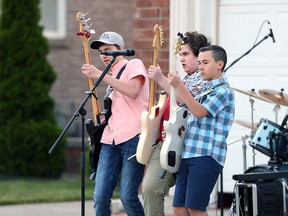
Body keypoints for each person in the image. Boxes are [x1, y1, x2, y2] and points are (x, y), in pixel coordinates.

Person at [142, 31, 211, 216]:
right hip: (166, 140)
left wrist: (162, 80)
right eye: (180, 55)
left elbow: (186, 102)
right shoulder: (185, 78)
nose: (181, 59)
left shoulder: (203, 80)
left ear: (200, 56)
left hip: (185, 146)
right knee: (169, 201)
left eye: (186, 54)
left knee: (190, 206)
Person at [81, 31, 149, 216]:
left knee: (128, 197)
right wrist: (97, 131)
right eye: (101, 52)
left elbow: (133, 91)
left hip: (133, 137)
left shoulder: (134, 64)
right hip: (110, 139)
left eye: (109, 50)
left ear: (121, 50)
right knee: (100, 195)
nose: (104, 55)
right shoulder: (110, 78)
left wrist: (99, 75)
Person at [167, 45, 235, 216]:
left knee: (196, 208)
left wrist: (179, 86)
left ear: (220, 64)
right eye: (199, 62)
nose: (201, 67)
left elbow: (199, 112)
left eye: (205, 62)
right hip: (189, 152)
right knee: (179, 208)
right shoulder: (206, 88)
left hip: (206, 155)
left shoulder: (223, 91)